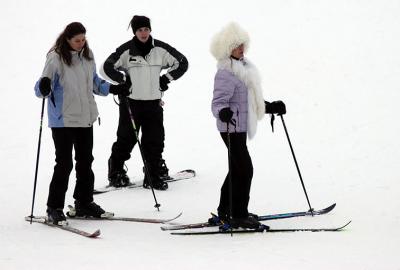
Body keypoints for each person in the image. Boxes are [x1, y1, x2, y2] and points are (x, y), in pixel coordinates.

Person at [34, 22, 130, 225]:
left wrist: (113, 89)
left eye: (83, 39)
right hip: (63, 120)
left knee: (86, 162)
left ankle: (84, 202)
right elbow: (43, 85)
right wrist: (42, 86)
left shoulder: (88, 55)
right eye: (77, 40)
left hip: (85, 118)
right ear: (67, 39)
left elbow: (94, 82)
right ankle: (54, 208)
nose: (81, 43)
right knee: (64, 164)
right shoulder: (56, 57)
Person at [210, 22, 286, 229]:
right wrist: (223, 112)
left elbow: (251, 99)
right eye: (236, 46)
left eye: (242, 44)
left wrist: (270, 107)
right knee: (244, 169)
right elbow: (218, 103)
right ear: (227, 49)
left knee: (237, 168)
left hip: (241, 126)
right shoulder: (225, 72)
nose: (241, 49)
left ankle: (226, 209)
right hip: (231, 127)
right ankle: (238, 214)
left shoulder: (245, 68)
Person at [101, 15, 188, 190]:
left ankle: (153, 174)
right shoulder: (126, 51)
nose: (144, 33)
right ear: (135, 31)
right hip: (131, 103)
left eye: (146, 29)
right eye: (140, 30)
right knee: (127, 139)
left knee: (155, 139)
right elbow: (105, 67)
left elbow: (182, 62)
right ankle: (116, 171)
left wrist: (166, 78)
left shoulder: (160, 49)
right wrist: (123, 80)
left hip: (153, 103)